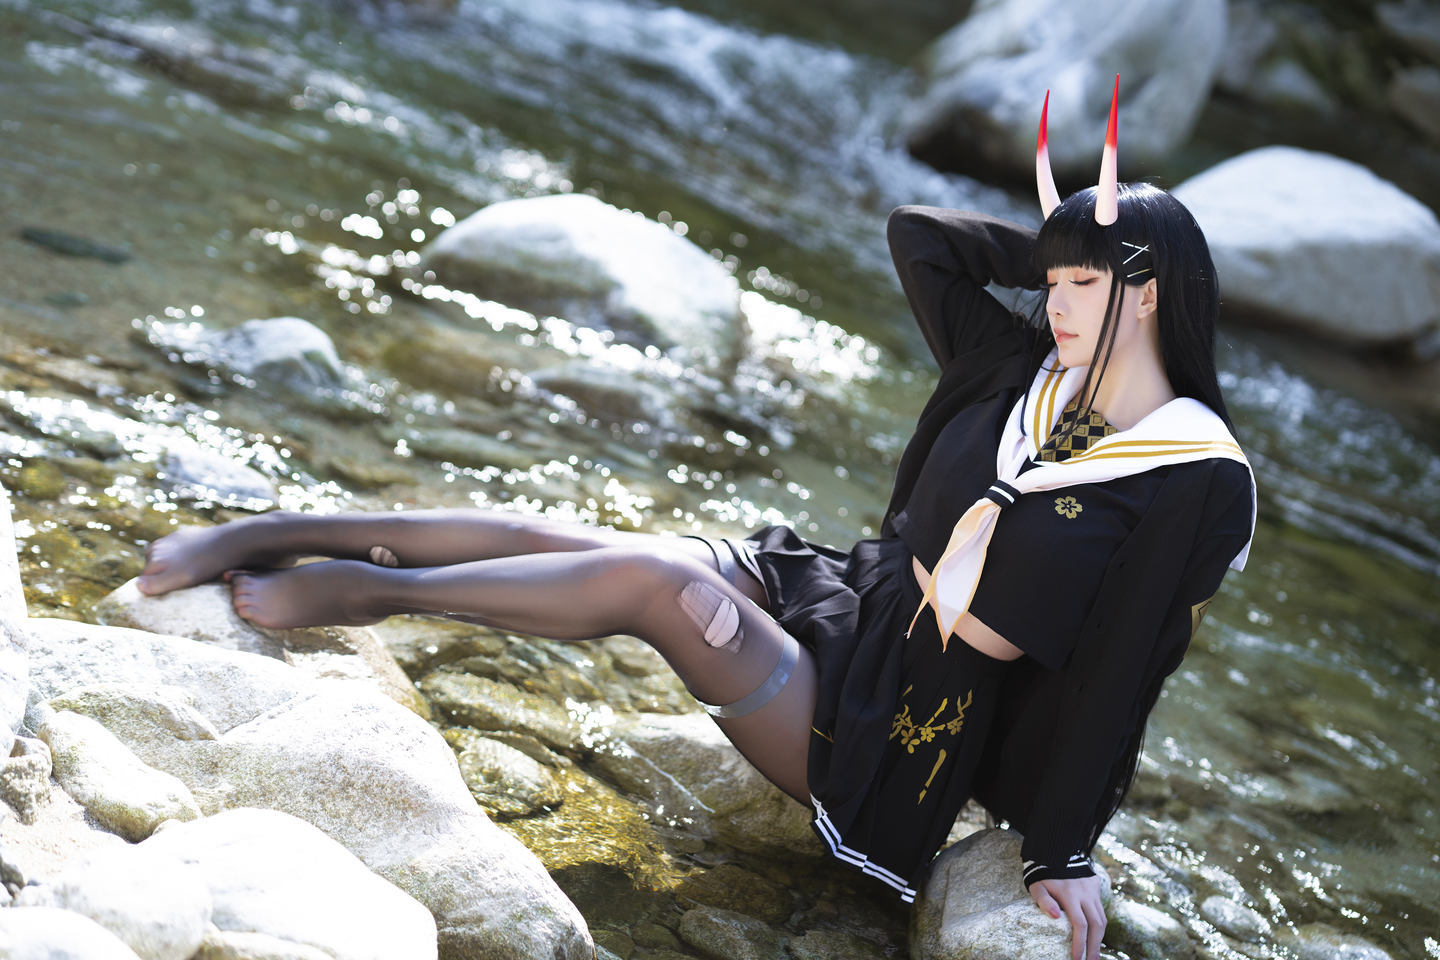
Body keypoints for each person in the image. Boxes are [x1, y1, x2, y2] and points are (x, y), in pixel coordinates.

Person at [135, 81, 1254, 960]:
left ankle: (375, 591)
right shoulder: (1028, 369)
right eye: (1050, 285)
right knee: (577, 540)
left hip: (905, 730)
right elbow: (921, 234)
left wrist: (1059, 850)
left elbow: (1121, 667)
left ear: (1149, 293)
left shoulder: (1193, 476)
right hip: (854, 599)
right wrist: (1069, 244)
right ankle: (278, 528)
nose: (1053, 306)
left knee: (656, 587)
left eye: (1081, 289)